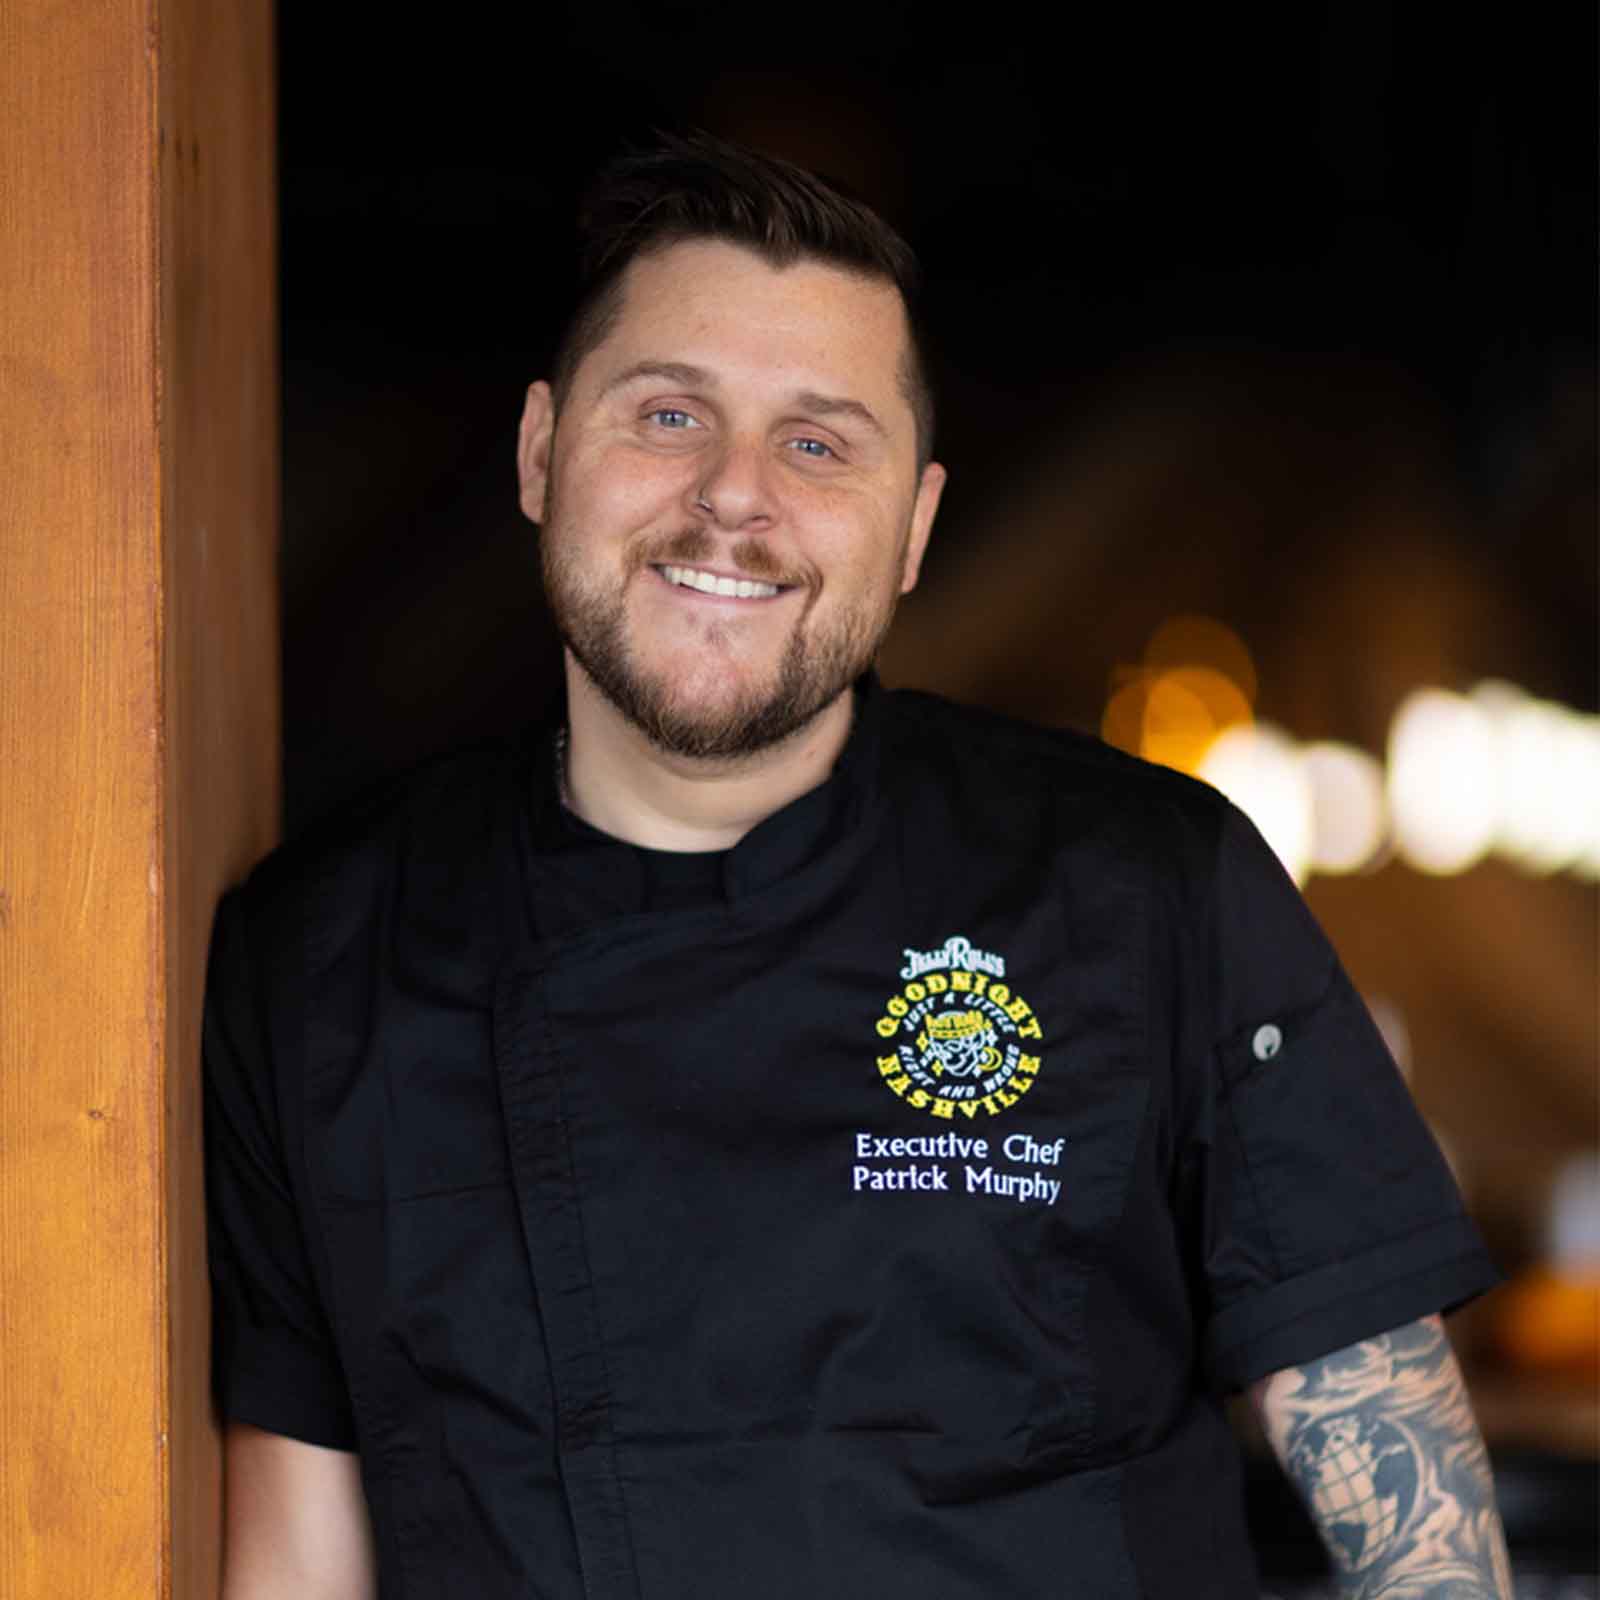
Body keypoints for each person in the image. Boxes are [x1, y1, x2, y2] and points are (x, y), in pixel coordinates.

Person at [204, 134, 1512, 1599]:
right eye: (669, 413)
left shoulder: (1144, 888)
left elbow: (1416, 1530)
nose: (733, 497)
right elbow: (296, 1561)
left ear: (915, 530)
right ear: (539, 453)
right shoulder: (321, 957)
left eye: (818, 442)